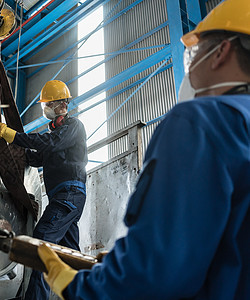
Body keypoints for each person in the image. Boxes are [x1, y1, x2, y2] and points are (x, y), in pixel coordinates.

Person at [35, 0, 250, 299]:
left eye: (193, 54)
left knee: (43, 241)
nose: (189, 66)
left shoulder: (203, 122)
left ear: (221, 52)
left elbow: (153, 272)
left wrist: (80, 290)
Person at [0, 80, 88, 300]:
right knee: (70, 255)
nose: (45, 108)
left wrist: (14, 136)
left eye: (47, 104)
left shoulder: (73, 127)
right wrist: (12, 152)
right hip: (63, 197)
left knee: (42, 240)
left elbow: (50, 143)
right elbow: (38, 157)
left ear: (60, 105)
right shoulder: (57, 135)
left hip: (69, 194)